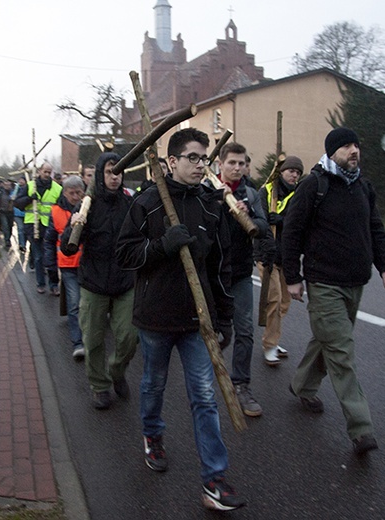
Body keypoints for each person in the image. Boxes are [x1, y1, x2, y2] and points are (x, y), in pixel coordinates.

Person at [116, 128, 246, 511]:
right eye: (192, 157)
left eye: (204, 158)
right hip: (155, 317)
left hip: (196, 319)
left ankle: (214, 480)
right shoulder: (148, 202)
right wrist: (160, 246)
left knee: (205, 398)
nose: (199, 164)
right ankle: (152, 435)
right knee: (153, 384)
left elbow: (221, 267)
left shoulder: (210, 204)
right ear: (171, 162)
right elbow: (125, 254)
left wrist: (224, 318)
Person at [282, 127, 385, 455]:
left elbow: (375, 228)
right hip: (324, 283)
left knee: (328, 340)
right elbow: (291, 233)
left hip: (355, 283)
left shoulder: (363, 186)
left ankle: (302, 385)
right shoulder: (313, 186)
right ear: (332, 151)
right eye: (347, 146)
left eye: (357, 145)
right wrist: (293, 276)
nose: (354, 150)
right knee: (342, 352)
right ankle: (361, 427)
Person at [61, 152, 138, 409]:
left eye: (118, 172)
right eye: (109, 172)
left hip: (125, 282)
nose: (114, 177)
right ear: (100, 176)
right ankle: (100, 386)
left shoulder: (130, 204)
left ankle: (117, 371)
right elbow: (68, 248)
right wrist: (73, 227)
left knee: (129, 336)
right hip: (94, 284)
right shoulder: (87, 205)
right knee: (93, 340)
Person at [216, 142, 269, 417]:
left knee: (245, 330)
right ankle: (204, 377)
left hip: (240, 274)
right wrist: (218, 203)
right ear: (221, 165)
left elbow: (262, 226)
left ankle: (241, 384)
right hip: (212, 275)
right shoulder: (208, 190)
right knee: (214, 332)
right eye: (232, 163)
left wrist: (245, 215)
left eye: (241, 163)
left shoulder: (250, 193)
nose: (237, 168)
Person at [254, 156, 304, 366]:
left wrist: (283, 221)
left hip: (287, 257)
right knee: (273, 298)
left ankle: (272, 337)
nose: (294, 175)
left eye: (298, 172)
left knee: (284, 301)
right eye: (291, 170)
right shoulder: (266, 191)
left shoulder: (300, 194)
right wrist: (268, 228)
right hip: (267, 255)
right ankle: (270, 345)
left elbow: (301, 222)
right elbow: (258, 219)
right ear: (282, 171)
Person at [44, 175, 86, 360]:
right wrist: (50, 266)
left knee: (88, 304)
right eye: (72, 193)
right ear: (65, 192)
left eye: (79, 192)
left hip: (88, 263)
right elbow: (49, 239)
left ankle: (89, 338)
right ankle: (78, 342)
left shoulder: (89, 207)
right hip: (68, 264)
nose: (76, 196)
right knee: (74, 302)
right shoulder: (55, 211)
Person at [14, 162, 62, 294]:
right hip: (33, 226)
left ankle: (54, 284)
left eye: (49, 172)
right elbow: (17, 203)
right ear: (39, 171)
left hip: (50, 227)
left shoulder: (57, 188)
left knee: (51, 257)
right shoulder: (30, 186)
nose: (47, 174)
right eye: (45, 171)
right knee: (38, 257)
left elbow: (62, 207)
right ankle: (41, 283)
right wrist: (29, 199)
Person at [11, 175, 30, 253]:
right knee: (20, 229)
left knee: (26, 231)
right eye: (20, 180)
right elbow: (12, 197)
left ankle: (24, 243)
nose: (21, 181)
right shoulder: (16, 189)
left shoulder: (29, 189)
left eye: (22, 180)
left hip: (27, 213)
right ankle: (22, 245)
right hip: (17, 214)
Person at [0, 179, 15, 249]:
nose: (7, 186)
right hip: (2, 212)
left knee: (10, 227)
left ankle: (8, 237)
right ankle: (7, 241)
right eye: (6, 185)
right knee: (5, 226)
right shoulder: (0, 193)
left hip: (11, 213)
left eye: (8, 185)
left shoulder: (13, 192)